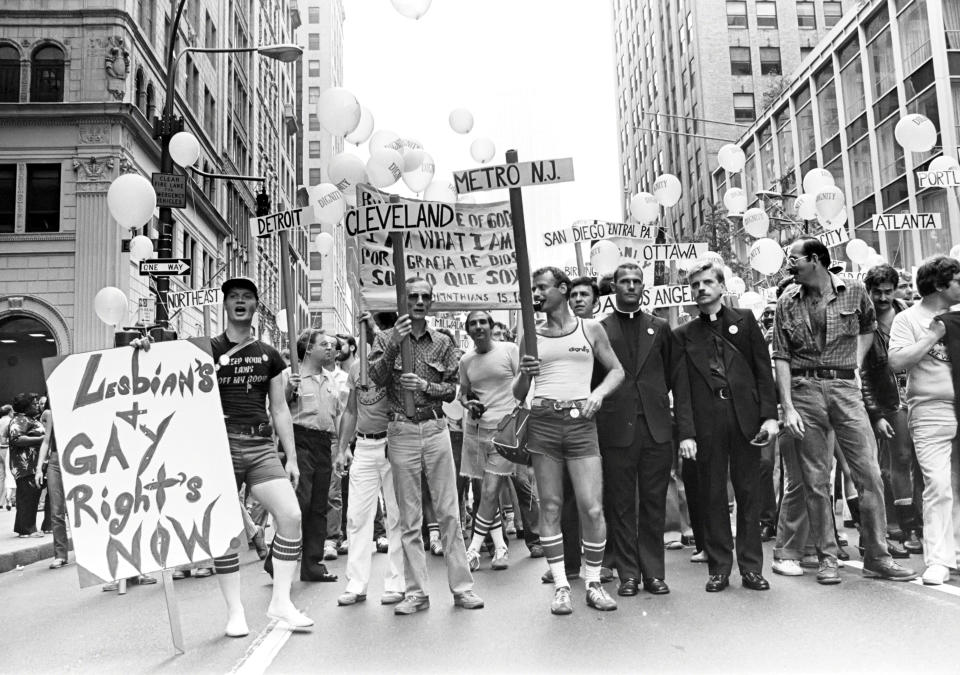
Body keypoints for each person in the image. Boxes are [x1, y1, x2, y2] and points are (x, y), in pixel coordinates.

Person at [169, 275, 313, 635]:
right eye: (233, 296)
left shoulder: (269, 355)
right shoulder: (205, 349)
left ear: (254, 306)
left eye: (247, 297)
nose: (240, 301)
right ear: (225, 304)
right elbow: (164, 376)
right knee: (225, 531)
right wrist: (143, 347)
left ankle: (281, 601)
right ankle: (235, 612)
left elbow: (279, 409)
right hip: (219, 446)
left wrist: (291, 457)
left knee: (291, 515)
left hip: (261, 445)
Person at [772, 237, 916, 584]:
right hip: (805, 391)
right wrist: (788, 406)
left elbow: (867, 328)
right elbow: (781, 355)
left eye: (795, 259)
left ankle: (878, 556)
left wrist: (855, 362)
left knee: (868, 473)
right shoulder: (786, 301)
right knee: (815, 478)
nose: (790, 265)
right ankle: (827, 557)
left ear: (816, 260)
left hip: (845, 389)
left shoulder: (853, 291)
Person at [368, 277, 484, 615]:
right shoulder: (384, 338)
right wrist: (394, 345)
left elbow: (453, 389)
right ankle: (417, 592)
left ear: (431, 303)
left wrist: (425, 385)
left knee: (449, 512)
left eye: (425, 297)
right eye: (413, 295)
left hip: (435, 427)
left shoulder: (444, 342)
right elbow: (374, 378)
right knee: (410, 518)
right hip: (401, 430)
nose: (419, 301)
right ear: (404, 301)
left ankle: (462, 589)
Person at [514, 266, 624, 615]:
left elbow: (618, 371)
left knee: (592, 506)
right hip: (544, 421)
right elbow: (519, 394)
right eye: (534, 288)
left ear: (562, 289)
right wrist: (524, 374)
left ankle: (593, 581)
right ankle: (562, 584)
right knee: (550, 506)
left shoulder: (590, 328)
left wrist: (599, 394)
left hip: (581, 422)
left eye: (542, 287)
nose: (537, 294)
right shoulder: (530, 336)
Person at [673, 260, 777, 592]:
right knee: (712, 493)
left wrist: (770, 416)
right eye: (695, 285)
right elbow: (683, 388)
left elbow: (763, 371)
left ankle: (751, 567)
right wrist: (686, 433)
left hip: (744, 417)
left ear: (721, 286)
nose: (701, 289)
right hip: (707, 420)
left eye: (707, 282)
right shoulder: (684, 335)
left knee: (749, 491)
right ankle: (719, 567)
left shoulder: (744, 321)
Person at [590, 262, 693, 598]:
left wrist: (684, 428)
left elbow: (676, 376)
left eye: (637, 282)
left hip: (656, 427)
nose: (631, 287)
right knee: (620, 504)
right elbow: (594, 380)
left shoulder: (661, 327)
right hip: (616, 427)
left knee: (653, 502)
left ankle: (654, 573)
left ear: (643, 287)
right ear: (614, 287)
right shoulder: (599, 329)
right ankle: (628, 574)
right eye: (625, 282)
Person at [888, 256, 960, 585]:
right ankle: (939, 559)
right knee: (939, 485)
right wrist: (932, 337)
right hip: (930, 410)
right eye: (957, 280)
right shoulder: (909, 319)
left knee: (956, 485)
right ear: (940, 285)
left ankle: (954, 551)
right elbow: (897, 362)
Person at [335, 313, 405, 606]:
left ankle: (397, 582)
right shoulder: (354, 370)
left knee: (397, 517)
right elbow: (350, 411)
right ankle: (357, 583)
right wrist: (342, 448)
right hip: (364, 447)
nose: (375, 338)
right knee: (357, 517)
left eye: (379, 332)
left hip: (394, 445)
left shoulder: (396, 365)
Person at [269, 328, 340, 583]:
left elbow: (337, 415)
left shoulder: (331, 380)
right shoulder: (289, 375)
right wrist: (289, 390)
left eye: (331, 345)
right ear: (309, 349)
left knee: (319, 506)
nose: (331, 348)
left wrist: (342, 448)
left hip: (323, 443)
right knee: (300, 503)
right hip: (299, 440)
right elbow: (276, 410)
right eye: (324, 344)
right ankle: (275, 560)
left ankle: (312, 565)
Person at [460, 310, 527, 572]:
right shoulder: (466, 360)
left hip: (506, 432)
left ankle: (473, 549)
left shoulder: (510, 349)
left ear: (490, 326)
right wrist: (470, 403)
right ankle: (499, 548)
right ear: (468, 330)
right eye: (473, 323)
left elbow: (525, 386)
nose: (478, 327)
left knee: (489, 491)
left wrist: (522, 418)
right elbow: (462, 394)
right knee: (486, 494)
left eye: (482, 322)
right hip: (476, 431)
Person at [861, 265, 919, 557]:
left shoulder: (909, 314)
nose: (883, 297)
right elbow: (863, 372)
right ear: (869, 291)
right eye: (876, 292)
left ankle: (916, 522)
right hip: (888, 399)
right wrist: (876, 413)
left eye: (888, 290)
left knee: (919, 461)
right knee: (897, 459)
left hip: (917, 392)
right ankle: (902, 526)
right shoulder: (865, 321)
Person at [34, 398, 69, 569]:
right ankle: (60, 554)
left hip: (78, 457)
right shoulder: (52, 413)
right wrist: (39, 468)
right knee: (56, 510)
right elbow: (46, 440)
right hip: (55, 459)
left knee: (79, 510)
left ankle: (90, 552)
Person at [7, 393, 44, 538]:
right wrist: (41, 439)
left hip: (33, 465)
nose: (36, 406)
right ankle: (26, 530)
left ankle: (29, 527)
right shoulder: (18, 420)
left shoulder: (28, 419)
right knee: (27, 497)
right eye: (34, 404)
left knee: (31, 496)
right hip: (24, 465)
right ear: (26, 406)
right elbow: (17, 438)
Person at [0, 404, 13, 510]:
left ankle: (1, 501)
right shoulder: (10, 421)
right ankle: (10, 498)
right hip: (6, 448)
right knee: (10, 474)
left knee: (1, 476)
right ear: (10, 412)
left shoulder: (0, 421)